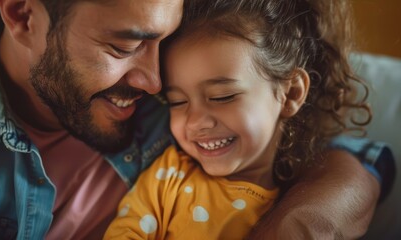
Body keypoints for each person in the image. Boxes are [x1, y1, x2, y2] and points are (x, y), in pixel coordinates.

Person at [0, 0, 391, 239]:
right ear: (23, 13)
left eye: (162, 42)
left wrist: (298, 222)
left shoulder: (182, 81)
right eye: (123, 47)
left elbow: (343, 152)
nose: (153, 85)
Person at [103, 0, 378, 239]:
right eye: (177, 102)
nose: (196, 121)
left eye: (223, 96)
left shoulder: (300, 196)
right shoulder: (169, 175)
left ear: (291, 93)